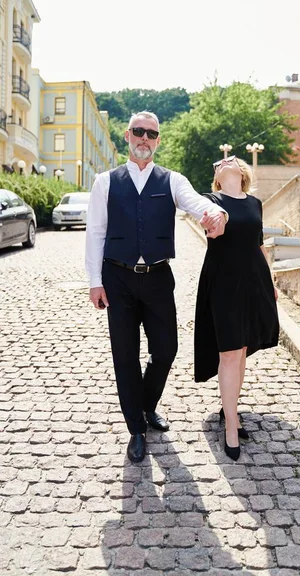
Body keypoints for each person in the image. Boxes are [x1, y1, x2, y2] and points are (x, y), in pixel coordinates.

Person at [85, 111, 227, 463]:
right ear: (127, 135)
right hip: (117, 278)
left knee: (166, 350)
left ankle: (147, 405)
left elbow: (197, 203)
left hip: (159, 276)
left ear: (158, 139)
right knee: (125, 356)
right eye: (138, 131)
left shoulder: (172, 180)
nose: (144, 138)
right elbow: (95, 234)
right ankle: (135, 428)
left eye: (151, 133)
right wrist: (94, 282)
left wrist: (215, 214)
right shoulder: (105, 182)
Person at [194, 155, 279, 461]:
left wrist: (270, 284)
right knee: (229, 352)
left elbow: (259, 245)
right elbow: (211, 228)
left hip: (254, 280)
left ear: (243, 171)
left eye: (232, 157)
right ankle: (230, 424)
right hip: (223, 281)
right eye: (219, 160)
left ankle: (231, 409)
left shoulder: (255, 203)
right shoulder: (210, 199)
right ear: (217, 174)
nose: (225, 159)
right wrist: (214, 223)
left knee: (241, 351)